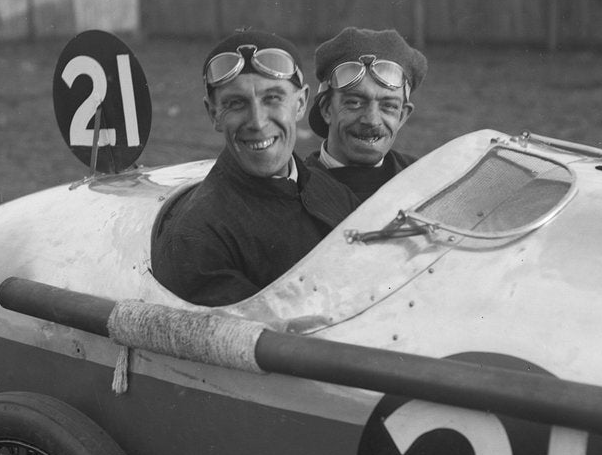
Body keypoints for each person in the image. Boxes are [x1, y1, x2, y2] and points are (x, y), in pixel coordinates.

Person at [152, 29, 360, 306]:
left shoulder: (336, 193)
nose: (258, 122)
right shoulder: (197, 239)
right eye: (236, 103)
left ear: (300, 104)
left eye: (273, 98)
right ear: (214, 114)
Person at [304, 27, 428, 202]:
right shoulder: (295, 190)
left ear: (402, 116)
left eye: (388, 106)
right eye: (355, 102)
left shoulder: (428, 184)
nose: (371, 120)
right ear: (326, 109)